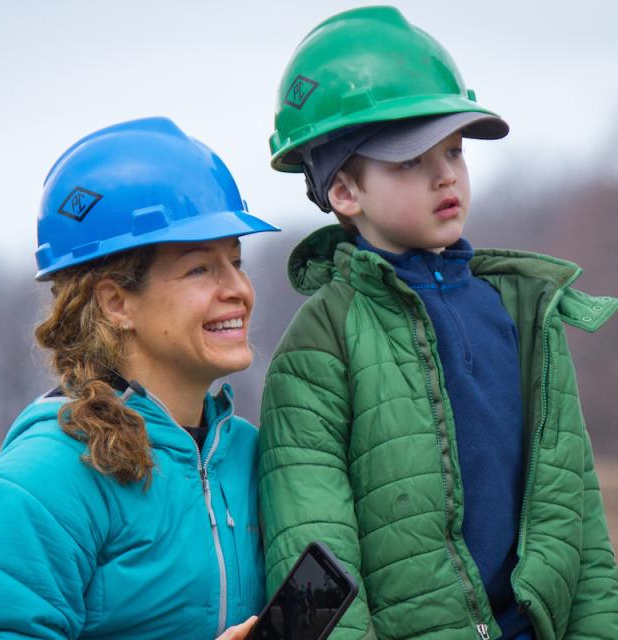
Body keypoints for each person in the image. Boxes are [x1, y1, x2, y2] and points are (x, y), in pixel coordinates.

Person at [258, 6, 618, 640]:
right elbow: (312, 558)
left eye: (453, 150)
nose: (446, 173)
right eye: (409, 161)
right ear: (344, 192)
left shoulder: (527, 312)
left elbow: (580, 525)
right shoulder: (320, 342)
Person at [0, 117, 279, 638]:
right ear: (116, 303)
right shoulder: (42, 478)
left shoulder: (251, 457)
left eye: (236, 261)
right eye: (200, 269)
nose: (239, 290)